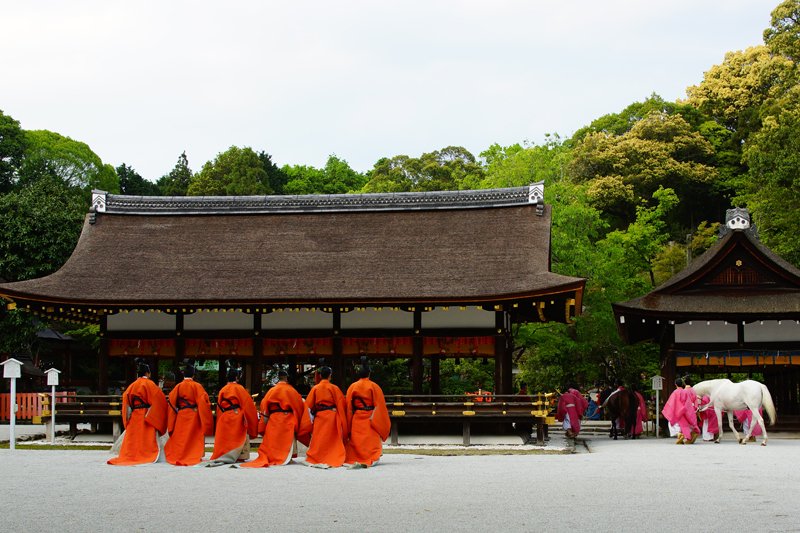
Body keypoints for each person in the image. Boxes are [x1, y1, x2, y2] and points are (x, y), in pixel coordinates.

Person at [240, 369, 311, 468]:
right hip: (288, 418)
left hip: (274, 418)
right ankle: (287, 457)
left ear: (279, 378)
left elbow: (264, 406)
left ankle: (274, 456)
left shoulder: (271, 391)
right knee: (288, 438)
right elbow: (299, 406)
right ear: (286, 378)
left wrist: (264, 421)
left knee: (274, 439)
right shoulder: (291, 390)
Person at [108, 359, 169, 465]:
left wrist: (127, 419)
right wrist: (153, 415)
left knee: (134, 439)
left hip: (135, 415)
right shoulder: (151, 385)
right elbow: (160, 401)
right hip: (147, 415)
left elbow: (126, 404)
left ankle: (132, 455)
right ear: (147, 373)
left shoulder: (131, 386)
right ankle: (146, 455)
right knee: (147, 438)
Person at [207, 365, 258, 466]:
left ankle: (224, 454)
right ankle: (240, 456)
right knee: (238, 435)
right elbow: (248, 406)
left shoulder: (223, 389)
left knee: (226, 437)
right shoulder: (240, 389)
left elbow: (219, 406)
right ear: (236, 377)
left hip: (225, 415)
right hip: (237, 415)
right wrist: (251, 421)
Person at [164, 363, 214, 466]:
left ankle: (180, 454)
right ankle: (192, 454)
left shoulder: (178, 386)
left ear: (183, 375)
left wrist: (172, 420)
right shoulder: (197, 386)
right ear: (193, 375)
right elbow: (203, 404)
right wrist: (206, 422)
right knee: (193, 438)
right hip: (193, 415)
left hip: (181, 414)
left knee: (181, 437)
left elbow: (171, 403)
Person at [344, 363, 391, 467]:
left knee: (357, 439)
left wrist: (348, 422)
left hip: (357, 416)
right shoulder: (374, 386)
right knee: (370, 440)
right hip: (370, 416)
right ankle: (370, 457)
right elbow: (380, 406)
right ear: (369, 374)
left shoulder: (352, 386)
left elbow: (348, 406)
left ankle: (356, 457)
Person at [303, 366, 348, 468]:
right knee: (332, 439)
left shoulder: (315, 388)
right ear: (330, 376)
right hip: (332, 416)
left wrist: (311, 418)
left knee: (319, 438)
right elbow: (341, 404)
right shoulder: (334, 388)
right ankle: (332, 456)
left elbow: (308, 406)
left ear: (320, 376)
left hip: (319, 416)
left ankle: (317, 457)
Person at [662, 376, 700, 445]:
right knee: (686, 425)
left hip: (677, 413)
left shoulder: (675, 392)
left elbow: (671, 403)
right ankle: (685, 436)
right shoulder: (685, 392)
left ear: (675, 384)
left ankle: (679, 435)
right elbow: (688, 404)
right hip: (685, 413)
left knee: (672, 424)